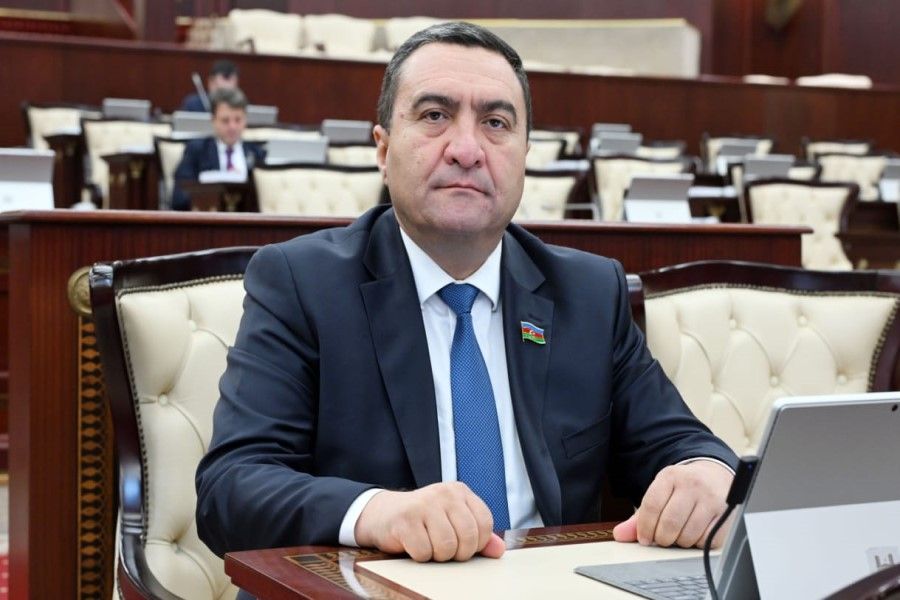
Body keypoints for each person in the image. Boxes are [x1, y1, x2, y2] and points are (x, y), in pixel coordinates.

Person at [195, 22, 737, 565]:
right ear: (383, 148)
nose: (466, 149)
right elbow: (232, 488)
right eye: (435, 115)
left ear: (524, 155)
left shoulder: (590, 294)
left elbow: (685, 446)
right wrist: (378, 512)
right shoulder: (301, 283)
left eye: (496, 123)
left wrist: (707, 475)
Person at [171, 87, 265, 211]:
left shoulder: (257, 153)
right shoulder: (197, 151)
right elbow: (178, 198)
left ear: (245, 120)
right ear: (213, 120)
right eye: (225, 121)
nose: (232, 127)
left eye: (238, 120)